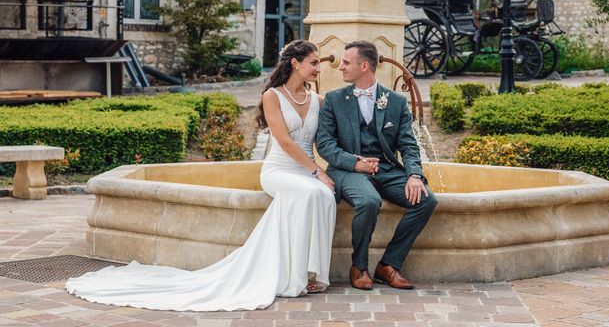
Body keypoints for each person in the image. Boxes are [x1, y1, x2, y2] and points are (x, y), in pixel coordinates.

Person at [65, 40, 336, 311]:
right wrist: (318, 172)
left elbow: (331, 132)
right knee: (312, 190)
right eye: (313, 62)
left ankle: (315, 275)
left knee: (324, 194)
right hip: (280, 169)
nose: (318, 68)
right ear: (295, 63)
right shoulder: (272, 96)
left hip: (306, 169)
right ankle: (296, 274)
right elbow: (286, 143)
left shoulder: (318, 100)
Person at [316, 40, 437, 290]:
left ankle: (388, 265)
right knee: (369, 201)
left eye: (346, 63)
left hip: (387, 170)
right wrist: (355, 163)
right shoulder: (334, 100)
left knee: (426, 200)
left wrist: (414, 175)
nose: (341, 67)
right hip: (348, 170)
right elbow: (325, 145)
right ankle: (359, 266)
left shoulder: (395, 101)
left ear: (364, 66)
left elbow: (409, 145)